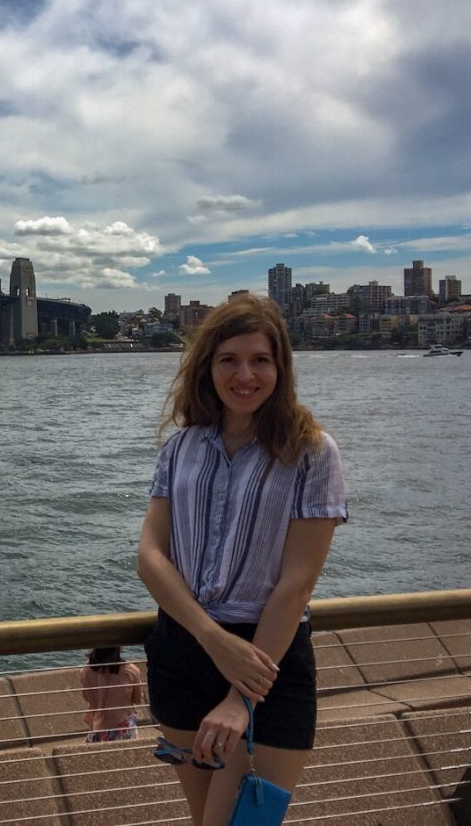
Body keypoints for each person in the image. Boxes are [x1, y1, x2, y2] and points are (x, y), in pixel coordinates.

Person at [136, 295, 347, 826]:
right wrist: (213, 640)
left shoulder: (311, 451)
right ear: (208, 366)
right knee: (204, 816)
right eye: (229, 359)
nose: (245, 375)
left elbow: (296, 585)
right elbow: (150, 556)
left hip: (266, 663)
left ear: (281, 367)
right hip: (184, 651)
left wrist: (240, 698)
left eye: (260, 360)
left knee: (240, 824)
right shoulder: (181, 447)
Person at [80, 646, 142, 742]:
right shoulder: (131, 671)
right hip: (122, 727)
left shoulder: (86, 670)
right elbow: (137, 700)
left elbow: (86, 697)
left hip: (97, 728)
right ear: (119, 647)